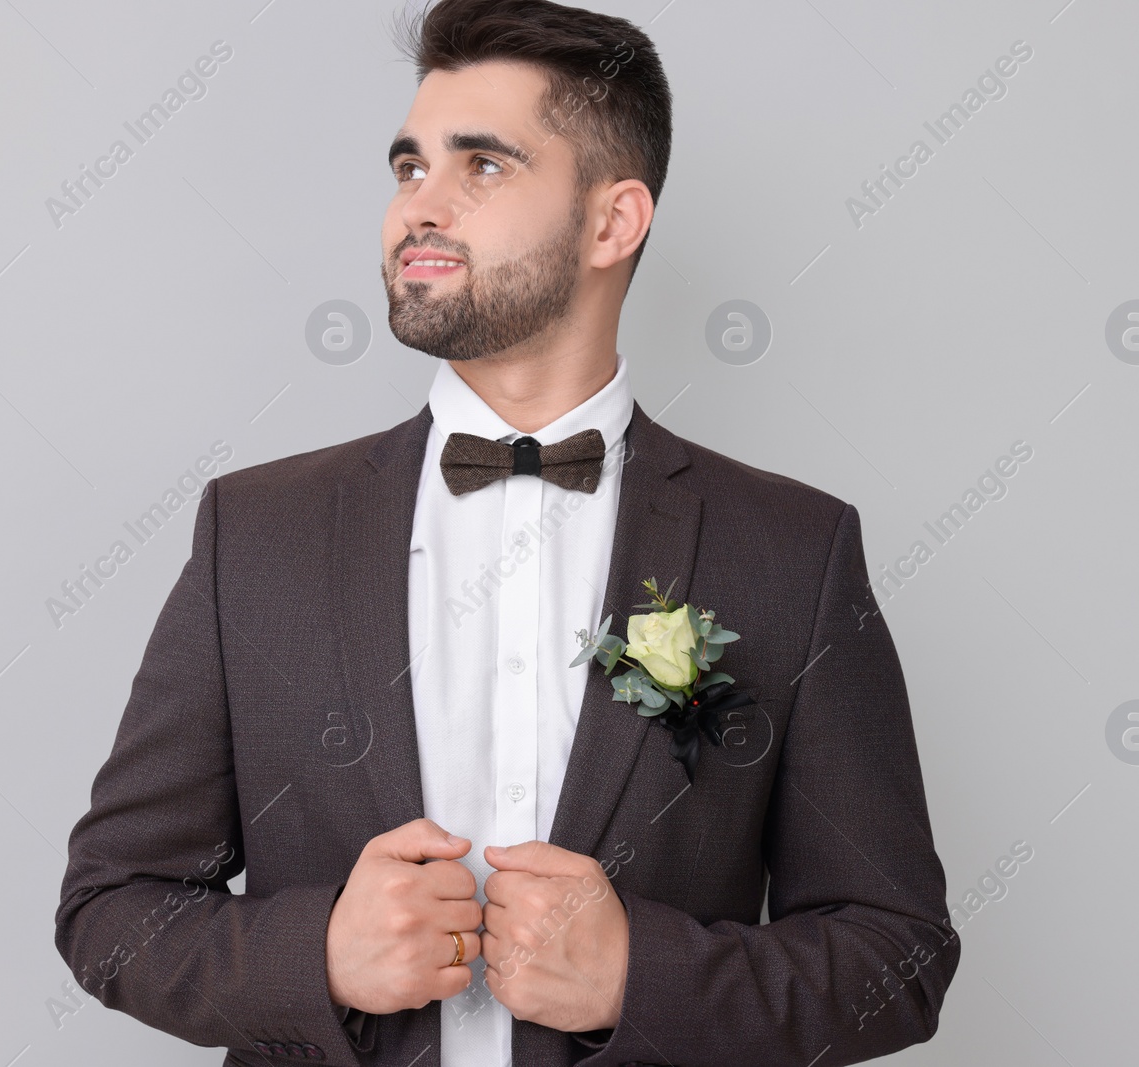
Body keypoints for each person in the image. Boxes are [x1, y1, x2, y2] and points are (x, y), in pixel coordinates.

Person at [55, 2, 959, 1064]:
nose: (419, 208)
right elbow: (111, 911)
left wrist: (641, 977)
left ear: (612, 222)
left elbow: (897, 956)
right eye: (408, 168)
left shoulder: (793, 550)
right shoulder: (254, 532)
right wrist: (321, 956)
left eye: (481, 167)